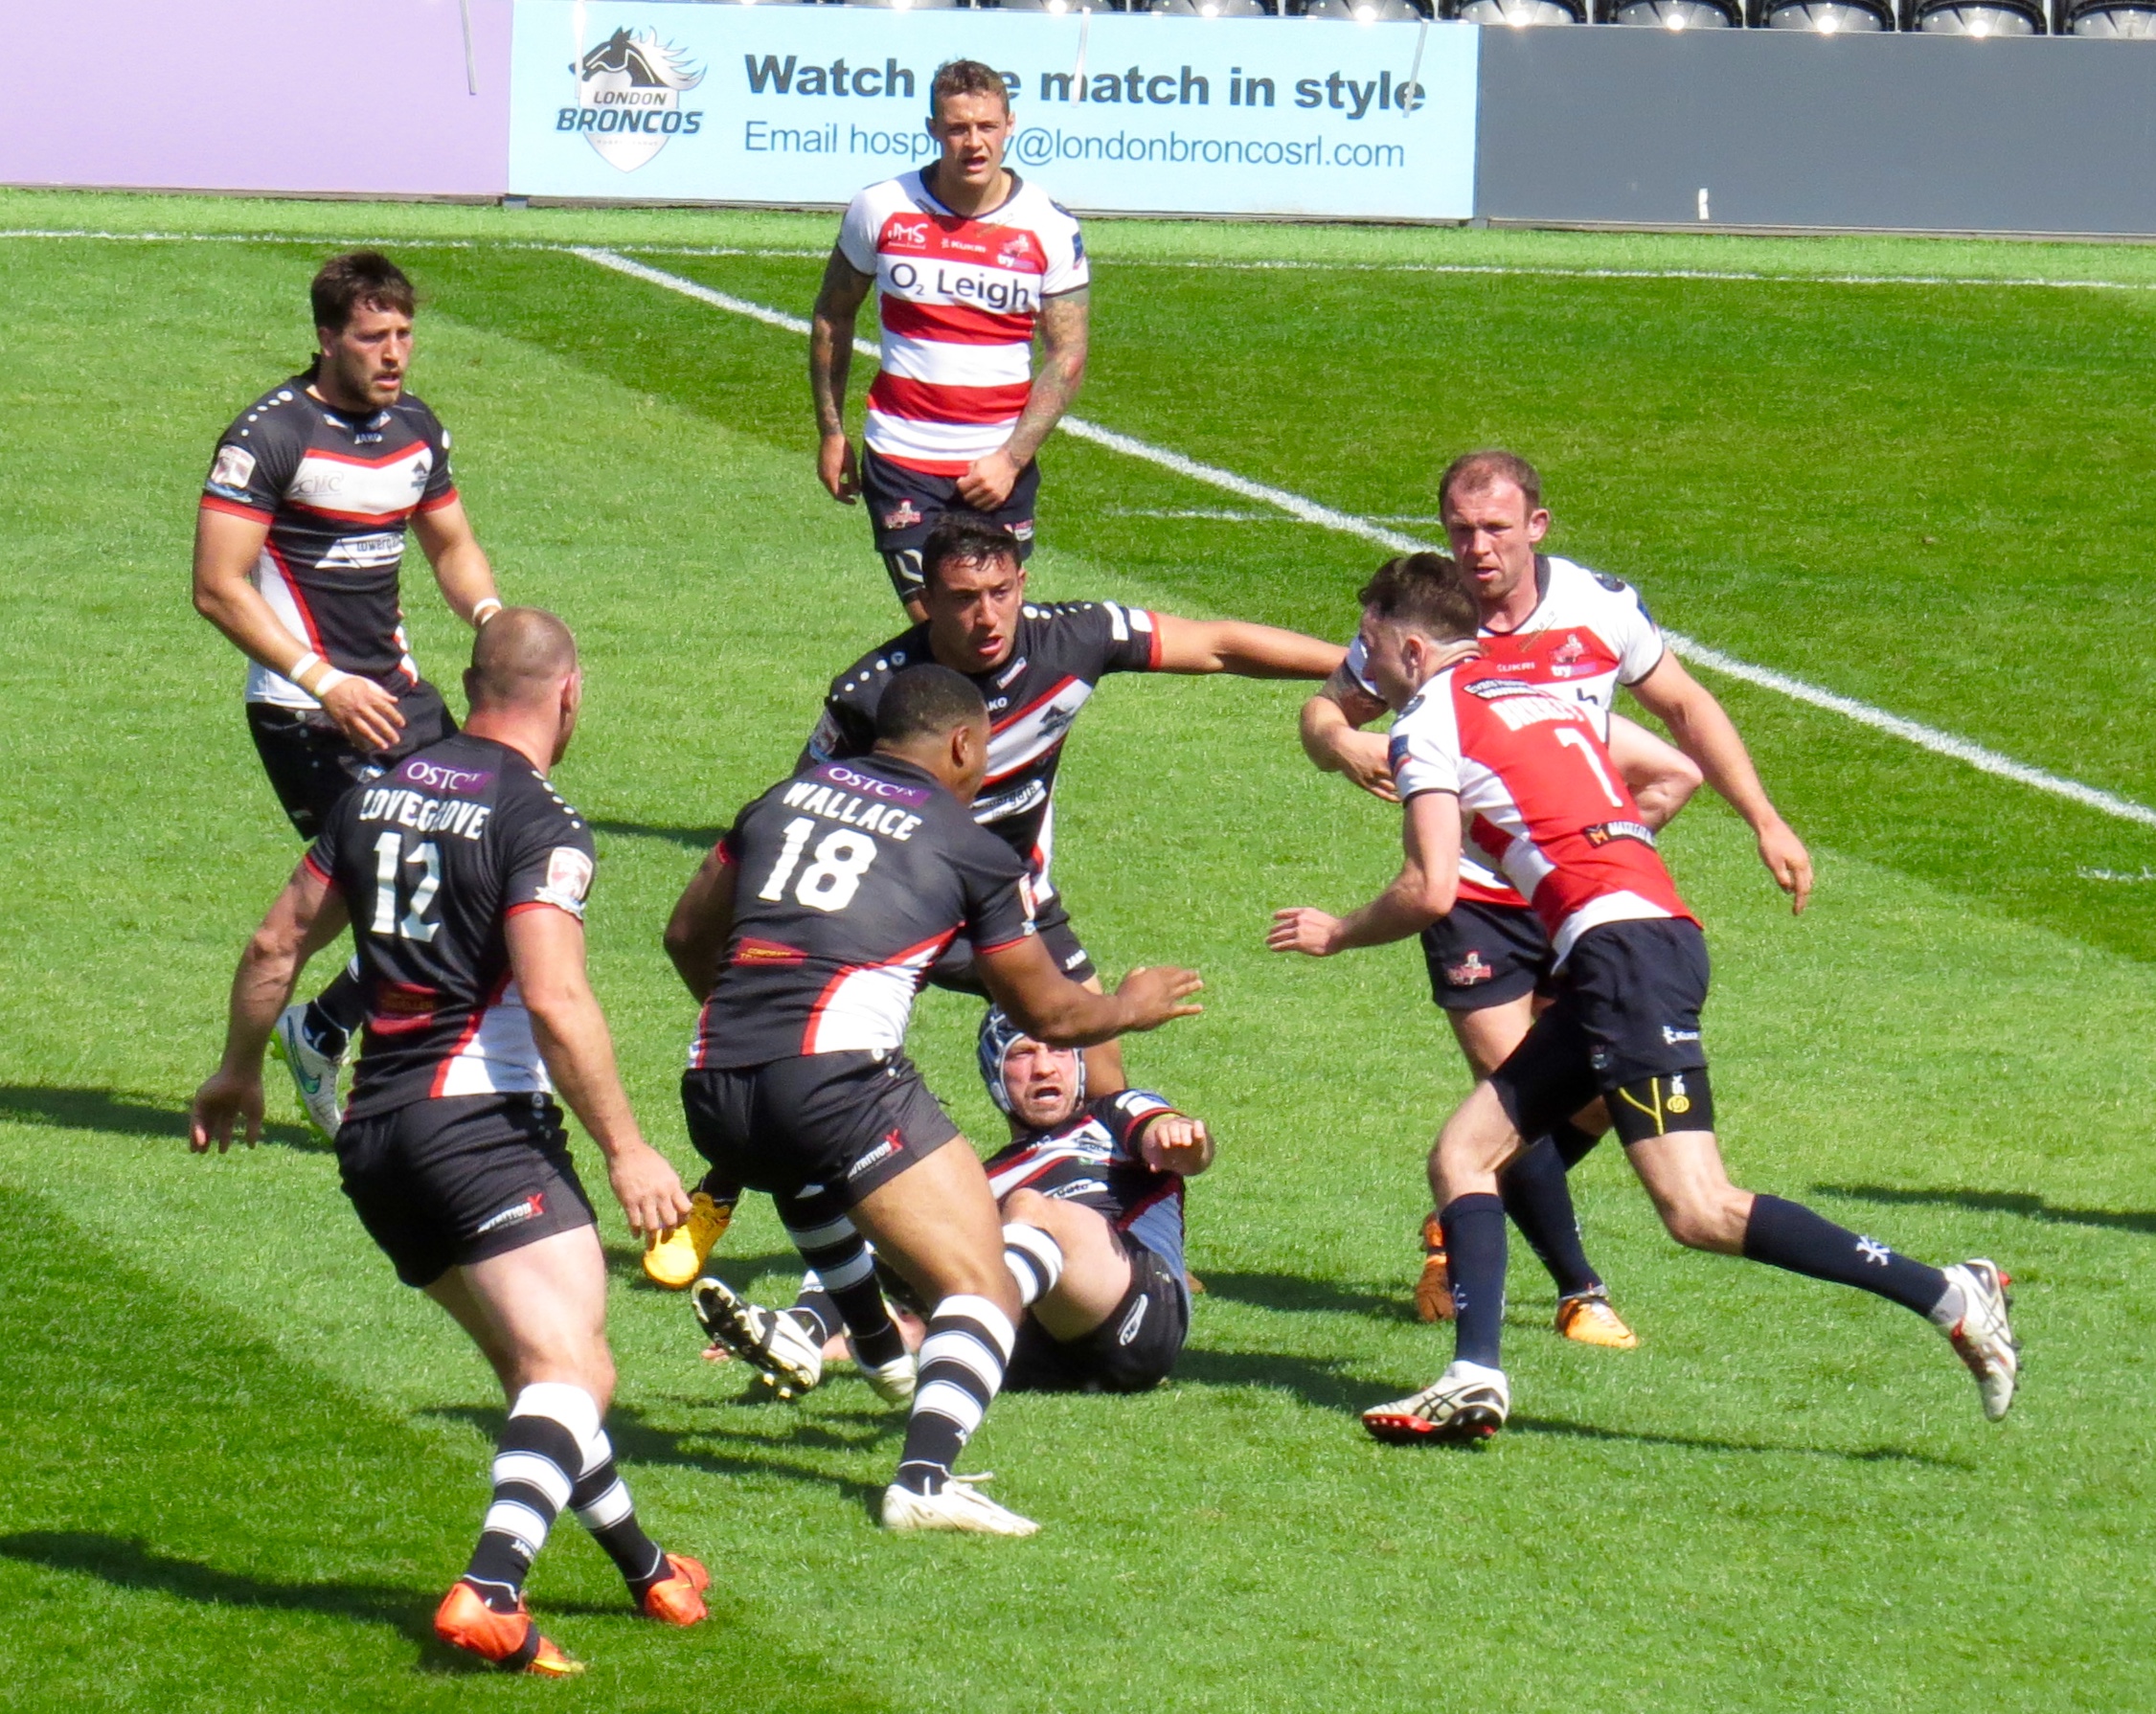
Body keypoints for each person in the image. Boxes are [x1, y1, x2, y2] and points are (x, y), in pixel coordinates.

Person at [1269, 556, 2018, 1443]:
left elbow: (1430, 889)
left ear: (1408, 648)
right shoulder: (1540, 690)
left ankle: (1945, 1292)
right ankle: (1473, 1375)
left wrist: (1338, 931)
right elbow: (1667, 769)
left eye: (1368, 646)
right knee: (1464, 1155)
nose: (1364, 670)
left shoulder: (1428, 718)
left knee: (1698, 1209)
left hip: (1621, 955)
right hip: (1639, 942)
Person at [187, 609, 706, 1674]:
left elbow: (277, 942)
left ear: (470, 688)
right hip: (480, 1129)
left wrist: (237, 1069)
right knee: (573, 1364)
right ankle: (492, 1588)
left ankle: (648, 1567)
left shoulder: (374, 793)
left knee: (540, 1372)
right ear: (570, 695)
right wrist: (627, 1148)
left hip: (376, 1140)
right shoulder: (542, 822)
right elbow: (555, 999)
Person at [640, 509, 1337, 1293]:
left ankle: (1116, 1225)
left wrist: (1356, 672)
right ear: (926, 600)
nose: (986, 616)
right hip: (896, 905)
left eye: (1001, 592)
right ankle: (723, 1184)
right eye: (964, 598)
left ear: (1021, 583)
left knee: (1096, 1065)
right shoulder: (874, 693)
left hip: (1008, 900)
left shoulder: (1072, 639)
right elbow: (808, 808)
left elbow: (1216, 645)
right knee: (807, 1042)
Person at [662, 664, 1202, 1536]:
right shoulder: (967, 842)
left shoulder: (780, 800)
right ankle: (923, 1481)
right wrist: (1129, 1008)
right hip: (834, 1079)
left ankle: (874, 1350)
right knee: (981, 1280)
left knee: (807, 1170)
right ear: (961, 744)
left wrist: (747, 1030)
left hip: (714, 1078)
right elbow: (1048, 1012)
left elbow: (687, 933)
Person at [1301, 449, 1808, 1346]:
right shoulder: (1428, 622)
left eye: (1494, 529)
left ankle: (1462, 1219)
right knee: (1510, 1097)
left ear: (1536, 525)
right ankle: (1578, 1290)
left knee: (1593, 1100)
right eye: (1459, 530)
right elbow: (1325, 709)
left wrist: (1762, 819)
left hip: (1572, 899)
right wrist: (1339, 744)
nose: (1476, 549)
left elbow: (1684, 712)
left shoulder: (1596, 609)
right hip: (1467, 895)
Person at [194, 250, 506, 1139]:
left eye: (404, 333)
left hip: (402, 698)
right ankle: (340, 1077)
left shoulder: (414, 426)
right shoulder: (268, 437)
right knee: (402, 898)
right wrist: (322, 680)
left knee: (475, 884)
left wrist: (491, 619)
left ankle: (324, 1030)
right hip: (308, 711)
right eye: (374, 337)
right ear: (328, 337)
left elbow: (451, 544)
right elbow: (217, 586)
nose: (394, 353)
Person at [696, 1007, 1211, 1400]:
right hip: (1037, 1360)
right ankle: (804, 1330)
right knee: (886, 1212)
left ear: (1077, 1063)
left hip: (1140, 1318)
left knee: (1030, 1209)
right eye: (1022, 1054)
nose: (1043, 1068)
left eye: (1057, 1051)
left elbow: (1172, 1137)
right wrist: (838, 1344)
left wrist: (1179, 1138)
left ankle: (978, 1314)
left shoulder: (1110, 1115)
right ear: (996, 1072)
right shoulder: (976, 1179)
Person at [810, 58, 1088, 620]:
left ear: (1010, 125)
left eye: (987, 126)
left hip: (996, 467)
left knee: (993, 630)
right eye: (958, 128)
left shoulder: (1050, 226)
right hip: (902, 457)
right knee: (941, 626)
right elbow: (833, 316)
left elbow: (1068, 354)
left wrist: (1010, 459)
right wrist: (832, 431)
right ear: (933, 129)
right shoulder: (881, 207)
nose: (974, 143)